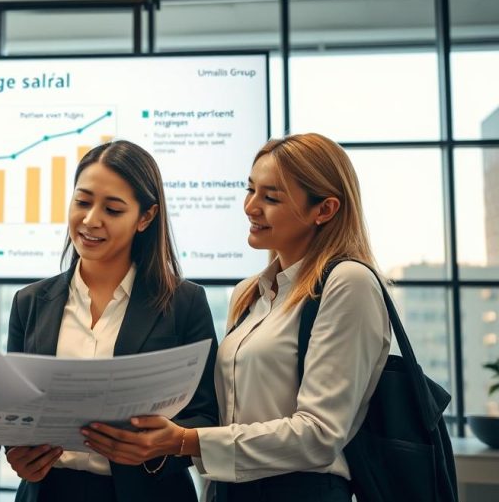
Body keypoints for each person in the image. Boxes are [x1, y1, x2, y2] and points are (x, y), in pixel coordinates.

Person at [83, 133, 392, 502]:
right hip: (231, 490)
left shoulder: (348, 283)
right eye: (250, 190)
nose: (250, 207)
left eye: (271, 198)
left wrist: (184, 441)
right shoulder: (251, 293)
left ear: (324, 210)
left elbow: (320, 435)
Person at [6, 140, 219, 502]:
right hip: (49, 492)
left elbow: (206, 416)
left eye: (113, 209)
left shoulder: (184, 303)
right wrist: (18, 455)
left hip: (148, 492)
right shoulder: (29, 302)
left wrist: (161, 447)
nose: (91, 220)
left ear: (145, 217)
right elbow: (14, 411)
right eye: (83, 202)